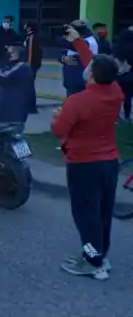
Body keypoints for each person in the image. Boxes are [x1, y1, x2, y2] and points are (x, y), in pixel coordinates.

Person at [52, 53, 122, 280]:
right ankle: (100, 255)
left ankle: (93, 261)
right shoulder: (115, 93)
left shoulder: (77, 101)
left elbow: (58, 130)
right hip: (109, 162)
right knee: (102, 212)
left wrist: (58, 117)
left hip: (84, 163)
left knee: (85, 215)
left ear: (91, 74)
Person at [0, 46, 37, 125]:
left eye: (11, 52)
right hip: (4, 112)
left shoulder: (22, 67)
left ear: (18, 55)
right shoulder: (8, 67)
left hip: (13, 113)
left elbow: (3, 77)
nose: (8, 54)